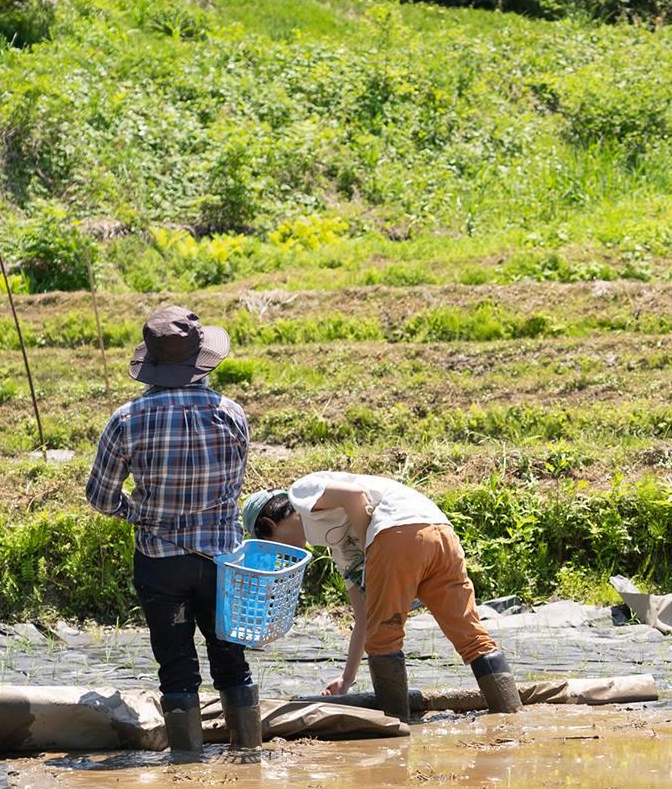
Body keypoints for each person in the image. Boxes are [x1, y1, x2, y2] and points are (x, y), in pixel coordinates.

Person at [86, 306, 256, 754]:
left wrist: (140, 514)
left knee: (177, 668)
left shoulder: (127, 419)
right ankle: (247, 755)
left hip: (160, 563)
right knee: (231, 663)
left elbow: (101, 497)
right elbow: (234, 484)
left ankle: (187, 768)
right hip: (221, 559)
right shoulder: (232, 414)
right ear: (201, 360)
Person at [242, 473, 522, 722]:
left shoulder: (301, 492)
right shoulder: (339, 547)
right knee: (470, 637)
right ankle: (510, 718)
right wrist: (346, 680)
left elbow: (354, 495)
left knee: (384, 639)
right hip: (439, 531)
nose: (280, 556)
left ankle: (397, 728)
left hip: (398, 530)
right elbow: (363, 617)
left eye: (271, 548)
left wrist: (371, 551)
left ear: (268, 525)